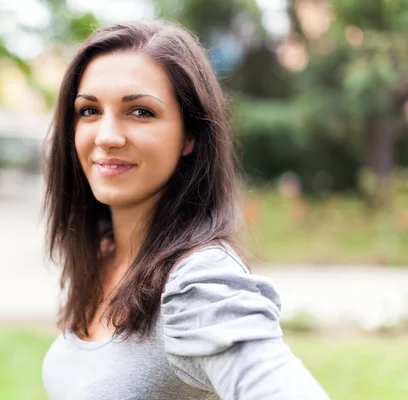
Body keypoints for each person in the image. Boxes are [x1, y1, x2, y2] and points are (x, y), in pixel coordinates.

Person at [42, 20, 330, 400]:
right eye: (89, 111)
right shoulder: (104, 253)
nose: (107, 136)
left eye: (141, 112)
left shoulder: (197, 283)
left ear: (190, 136)